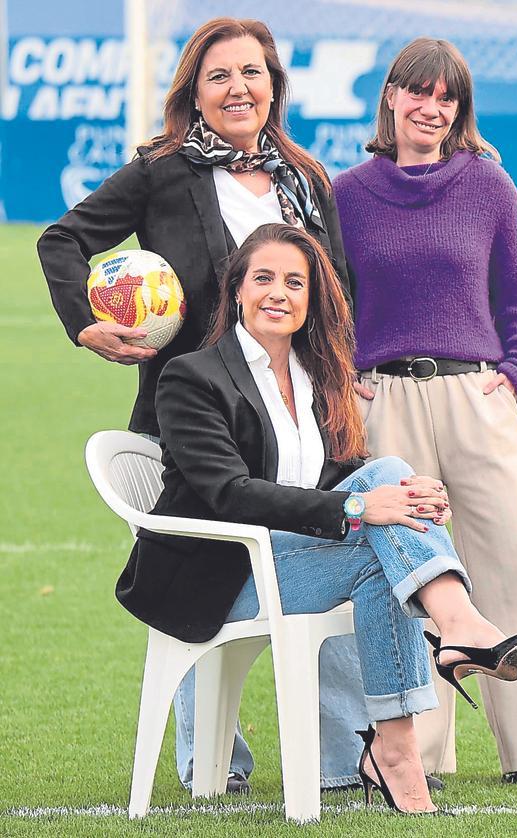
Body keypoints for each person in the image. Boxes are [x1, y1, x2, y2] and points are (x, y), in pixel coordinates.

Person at [37, 17, 369, 794]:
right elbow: (63, 240)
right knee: (198, 577)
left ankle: (341, 761)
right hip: (193, 417)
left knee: (337, 549)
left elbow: (340, 290)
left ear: (274, 87)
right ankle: (213, 764)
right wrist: (88, 326)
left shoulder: (306, 180)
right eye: (219, 76)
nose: (238, 89)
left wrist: (347, 376)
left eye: (252, 73)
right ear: (193, 92)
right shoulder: (161, 172)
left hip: (300, 415)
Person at [122, 222, 517, 815]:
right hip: (217, 571)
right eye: (264, 278)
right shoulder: (193, 376)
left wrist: (411, 500)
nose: (279, 293)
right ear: (237, 290)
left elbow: (334, 474)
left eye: (295, 282)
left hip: (291, 559)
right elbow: (228, 491)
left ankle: (394, 750)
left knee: (390, 493)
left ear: (310, 298)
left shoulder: (314, 375)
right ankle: (459, 631)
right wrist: (358, 507)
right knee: (381, 515)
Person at [334, 37, 517, 784]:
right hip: (386, 402)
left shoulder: (488, 186)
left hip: (478, 396)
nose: (432, 109)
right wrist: (347, 378)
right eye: (419, 92)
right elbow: (332, 303)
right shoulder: (345, 194)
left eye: (447, 98)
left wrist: (516, 374)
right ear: (390, 97)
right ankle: (423, 753)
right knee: (412, 576)